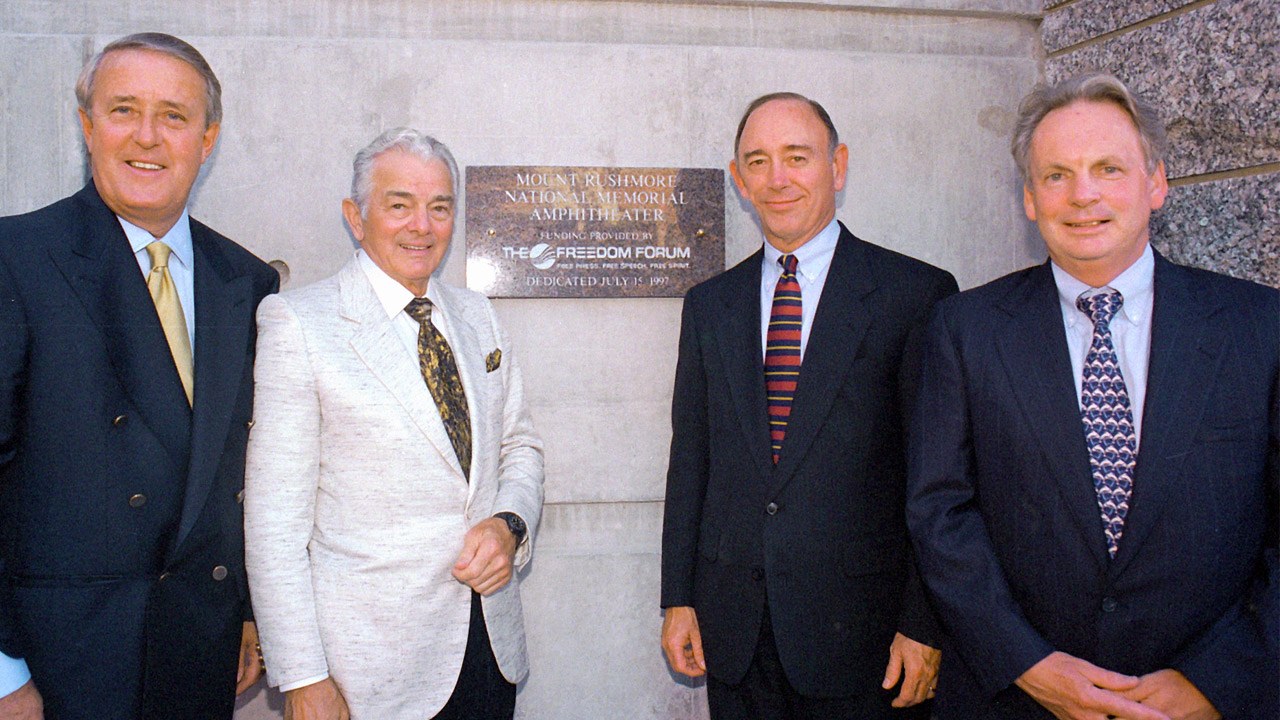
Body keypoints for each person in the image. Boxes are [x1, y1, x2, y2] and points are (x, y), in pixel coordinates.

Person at [906, 71, 1278, 719]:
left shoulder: (1259, 329)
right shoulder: (964, 330)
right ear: (1029, 197)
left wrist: (1216, 681)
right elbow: (941, 515)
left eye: (1108, 168)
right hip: (1017, 700)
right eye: (1056, 175)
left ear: (1156, 182)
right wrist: (1027, 663)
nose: (1083, 195)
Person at [0, 32, 277, 719]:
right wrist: (2, 674)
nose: (148, 137)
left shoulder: (244, 278)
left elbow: (237, 469)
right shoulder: (16, 259)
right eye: (124, 110)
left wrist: (243, 612)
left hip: (197, 654)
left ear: (207, 139)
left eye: (174, 117)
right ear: (88, 125)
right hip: (56, 664)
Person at [660, 92, 958, 719]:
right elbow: (692, 459)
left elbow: (942, 480)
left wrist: (924, 623)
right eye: (758, 161)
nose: (778, 179)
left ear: (837, 165)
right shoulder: (711, 306)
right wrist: (678, 597)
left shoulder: (916, 295)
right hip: (735, 634)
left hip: (866, 640)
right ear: (739, 179)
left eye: (797, 157)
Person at [244, 127, 545, 720]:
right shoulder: (299, 325)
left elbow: (520, 446)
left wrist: (510, 525)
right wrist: (305, 677)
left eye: (439, 207)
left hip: (489, 653)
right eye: (399, 205)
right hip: (367, 674)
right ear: (356, 218)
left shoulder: (478, 314)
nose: (422, 226)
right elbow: (274, 525)